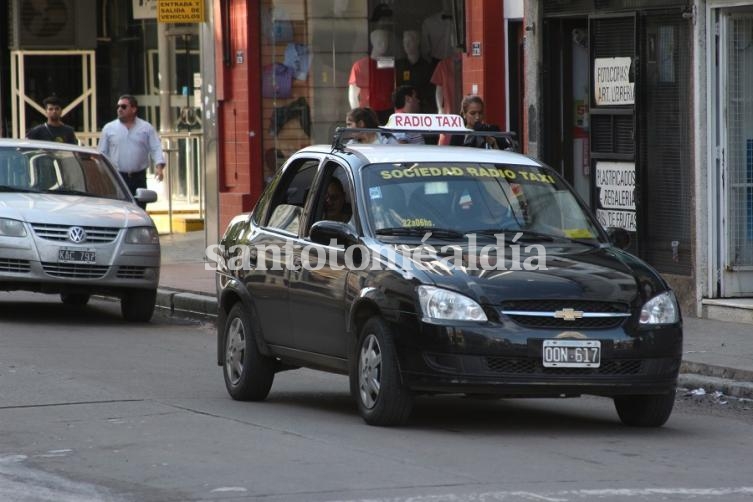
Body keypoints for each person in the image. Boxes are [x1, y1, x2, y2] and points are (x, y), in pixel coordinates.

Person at [98, 95, 166, 209]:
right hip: (118, 177)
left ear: (134, 109)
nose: (119, 109)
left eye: (123, 106)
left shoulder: (146, 128)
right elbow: (102, 153)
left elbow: (155, 147)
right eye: (118, 106)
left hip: (139, 177)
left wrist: (159, 167)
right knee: (119, 209)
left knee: (139, 208)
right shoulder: (109, 128)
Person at [348, 29, 395, 124]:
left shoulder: (390, 65)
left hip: (388, 112)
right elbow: (353, 94)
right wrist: (357, 116)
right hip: (367, 113)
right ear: (373, 42)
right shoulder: (360, 66)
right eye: (380, 41)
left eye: (386, 41)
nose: (384, 45)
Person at [395, 30, 436, 114]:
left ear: (417, 42)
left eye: (409, 41)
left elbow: (430, 90)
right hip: (403, 110)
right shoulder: (399, 66)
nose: (406, 45)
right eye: (404, 42)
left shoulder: (427, 67)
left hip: (423, 110)